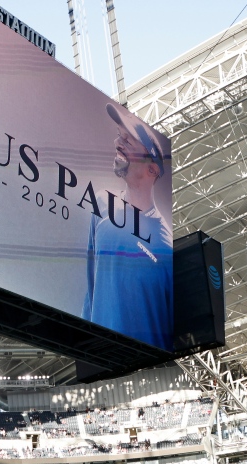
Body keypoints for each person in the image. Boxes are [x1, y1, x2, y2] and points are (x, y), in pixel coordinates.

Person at [81, 102, 174, 351]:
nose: (117, 143)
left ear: (152, 168)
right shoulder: (102, 203)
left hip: (150, 370)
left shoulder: (167, 245)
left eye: (128, 141)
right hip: (103, 360)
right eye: (119, 136)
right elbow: (90, 287)